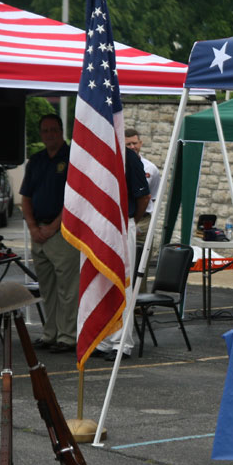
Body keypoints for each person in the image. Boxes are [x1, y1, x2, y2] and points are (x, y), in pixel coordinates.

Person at [21, 114, 80, 354]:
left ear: (61, 130)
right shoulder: (36, 161)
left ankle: (68, 337)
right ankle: (50, 333)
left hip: (62, 234)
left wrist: (53, 227)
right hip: (39, 233)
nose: (49, 135)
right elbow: (25, 198)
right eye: (45, 131)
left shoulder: (73, 159)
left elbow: (74, 201)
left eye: (53, 130)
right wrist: (34, 228)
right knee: (47, 289)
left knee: (68, 289)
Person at [91, 147, 151, 361]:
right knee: (100, 286)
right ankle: (105, 340)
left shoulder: (127, 156)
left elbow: (143, 196)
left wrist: (130, 222)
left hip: (122, 224)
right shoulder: (94, 148)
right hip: (98, 227)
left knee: (121, 285)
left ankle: (121, 343)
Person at [125, 127, 159, 293]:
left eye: (134, 143)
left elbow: (151, 196)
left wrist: (137, 220)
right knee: (127, 262)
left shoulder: (150, 168)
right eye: (128, 144)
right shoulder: (122, 162)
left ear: (141, 143)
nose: (132, 147)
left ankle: (140, 302)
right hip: (128, 218)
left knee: (142, 263)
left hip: (143, 218)